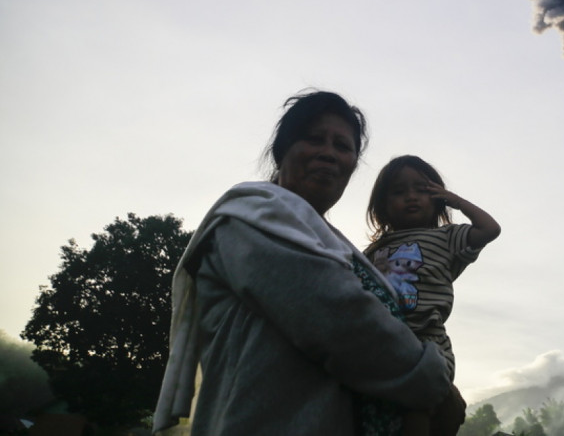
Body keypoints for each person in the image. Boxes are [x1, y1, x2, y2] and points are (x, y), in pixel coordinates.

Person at [153, 91, 452, 436]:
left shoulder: (334, 242)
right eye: (314, 139)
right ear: (283, 150)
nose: (328, 153)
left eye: (343, 146)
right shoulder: (250, 218)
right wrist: (433, 380)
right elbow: (342, 321)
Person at [364, 155, 502, 436]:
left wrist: (455, 200)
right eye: (399, 192)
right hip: (383, 344)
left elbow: (490, 229)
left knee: (418, 404)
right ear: (383, 206)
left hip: (428, 345)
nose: (411, 197)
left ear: (437, 199)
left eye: (422, 190)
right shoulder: (372, 251)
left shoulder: (447, 238)